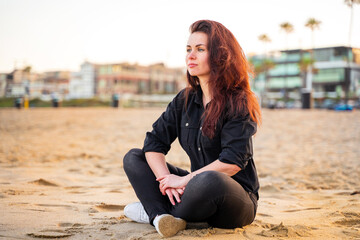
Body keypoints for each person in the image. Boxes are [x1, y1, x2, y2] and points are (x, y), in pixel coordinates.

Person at [123, 19, 261, 238]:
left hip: (234, 198)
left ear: (220, 55)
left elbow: (232, 162)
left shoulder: (239, 101)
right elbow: (154, 143)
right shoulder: (185, 99)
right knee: (134, 157)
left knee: (208, 180)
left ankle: (151, 211)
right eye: (188, 49)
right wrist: (167, 181)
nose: (190, 56)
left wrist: (183, 181)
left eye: (200, 49)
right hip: (194, 189)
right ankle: (161, 218)